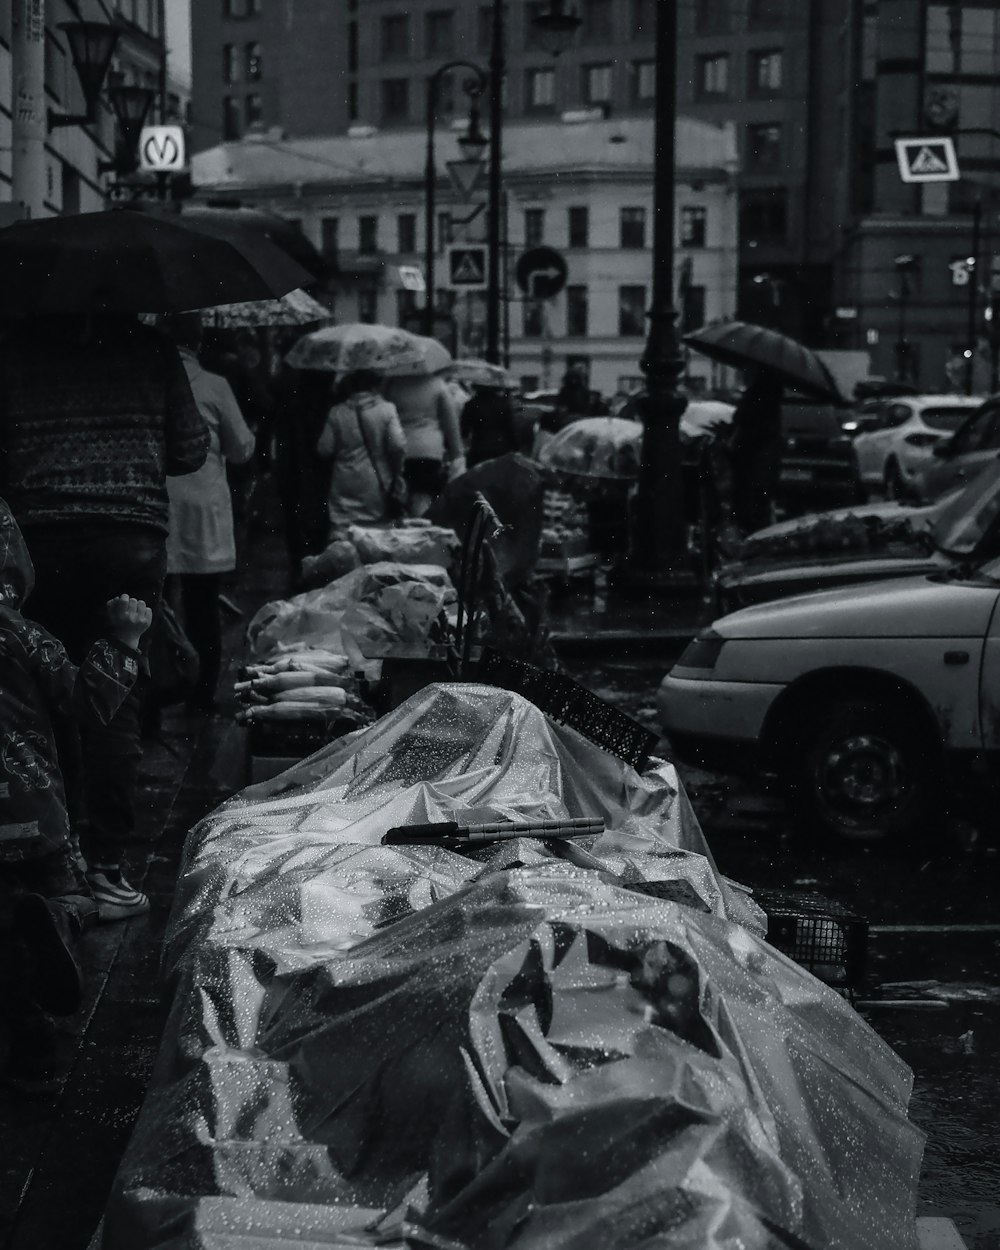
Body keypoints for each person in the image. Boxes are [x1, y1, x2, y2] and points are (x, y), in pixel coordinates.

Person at [0, 313, 208, 919]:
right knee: (117, 692)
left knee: (39, 695)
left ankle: (48, 858)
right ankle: (108, 871)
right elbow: (189, 451)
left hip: (38, 540)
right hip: (128, 539)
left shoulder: (14, 346)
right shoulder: (150, 347)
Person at [0, 499, 152, 1086]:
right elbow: (89, 702)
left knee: (3, 927)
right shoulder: (22, 637)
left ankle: (29, 1044)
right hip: (33, 811)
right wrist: (125, 640)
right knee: (54, 891)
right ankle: (62, 918)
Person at [161, 314, 256, 714]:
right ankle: (200, 696)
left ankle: (159, 690)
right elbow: (241, 450)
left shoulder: (152, 382)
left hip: (157, 505)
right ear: (198, 341)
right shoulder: (215, 386)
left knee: (159, 607)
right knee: (203, 608)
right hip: (203, 508)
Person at [316, 369, 407, 536]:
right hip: (378, 482)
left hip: (343, 483)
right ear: (375, 385)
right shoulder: (387, 409)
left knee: (343, 533)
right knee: (378, 534)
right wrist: (397, 472)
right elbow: (397, 445)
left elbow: (324, 449)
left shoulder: (337, 411)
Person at [383, 372, 465, 516]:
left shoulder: (392, 384)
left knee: (399, 495)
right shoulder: (437, 385)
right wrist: (457, 454)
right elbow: (450, 424)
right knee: (422, 496)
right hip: (429, 451)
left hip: (399, 449)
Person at [728, 369, 785, 534]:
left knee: (746, 501)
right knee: (761, 503)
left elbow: (740, 418)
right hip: (765, 457)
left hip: (748, 455)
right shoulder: (774, 404)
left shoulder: (753, 399)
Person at [461, 384, 521, 468]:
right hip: (502, 450)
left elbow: (464, 431)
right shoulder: (504, 404)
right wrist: (516, 449)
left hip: (479, 450)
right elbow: (511, 430)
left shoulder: (470, 404)